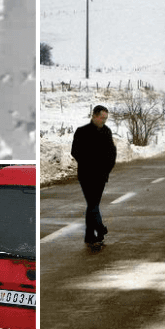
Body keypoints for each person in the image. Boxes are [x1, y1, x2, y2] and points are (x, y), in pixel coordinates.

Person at [71, 105, 117, 248]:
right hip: (86, 175)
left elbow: (112, 153)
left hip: (101, 176)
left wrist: (106, 169)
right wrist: (88, 164)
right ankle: (99, 229)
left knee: (92, 205)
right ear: (94, 116)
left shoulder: (106, 132)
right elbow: (75, 151)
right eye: (102, 118)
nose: (104, 121)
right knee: (93, 204)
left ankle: (90, 235)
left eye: (106, 118)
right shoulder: (82, 132)